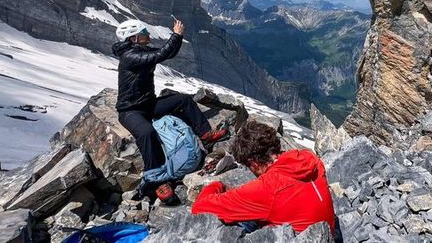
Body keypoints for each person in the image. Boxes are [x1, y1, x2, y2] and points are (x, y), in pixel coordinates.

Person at [112, 18, 229, 202]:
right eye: (144, 32)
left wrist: (178, 37)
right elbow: (160, 55)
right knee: (146, 132)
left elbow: (166, 53)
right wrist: (175, 35)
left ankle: (205, 135)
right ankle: (157, 181)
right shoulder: (130, 56)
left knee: (182, 100)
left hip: (148, 104)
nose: (148, 34)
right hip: (130, 111)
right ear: (133, 38)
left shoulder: (138, 50)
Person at [191, 120, 335, 234]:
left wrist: (218, 185)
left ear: (254, 163)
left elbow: (199, 207)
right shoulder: (308, 158)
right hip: (329, 235)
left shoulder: (268, 188)